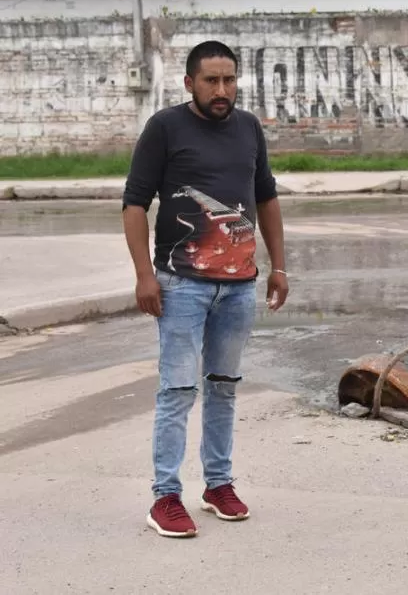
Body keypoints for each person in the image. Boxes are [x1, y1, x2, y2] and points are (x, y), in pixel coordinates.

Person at [122, 40, 289, 539]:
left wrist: (279, 266)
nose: (222, 90)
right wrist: (143, 276)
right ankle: (165, 497)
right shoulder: (165, 128)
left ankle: (218, 485)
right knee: (177, 390)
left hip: (238, 287)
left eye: (230, 80)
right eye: (212, 80)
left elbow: (266, 198)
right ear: (189, 82)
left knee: (224, 389)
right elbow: (134, 205)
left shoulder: (249, 128)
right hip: (181, 286)